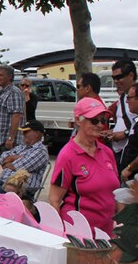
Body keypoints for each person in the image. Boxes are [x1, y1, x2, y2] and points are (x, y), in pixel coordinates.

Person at [49, 98, 119, 236]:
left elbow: (116, 194)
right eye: (94, 120)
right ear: (79, 120)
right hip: (79, 235)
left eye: (103, 120)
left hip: (107, 234)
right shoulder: (67, 155)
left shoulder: (107, 152)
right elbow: (54, 200)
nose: (100, 125)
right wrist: (58, 235)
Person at [0, 120, 49, 197]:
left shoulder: (41, 151)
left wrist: (10, 161)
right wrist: (14, 158)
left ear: (36, 134)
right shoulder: (22, 147)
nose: (23, 134)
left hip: (19, 190)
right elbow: (2, 158)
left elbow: (20, 166)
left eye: (26, 132)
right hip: (2, 184)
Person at [107, 60, 138, 163]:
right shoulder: (123, 97)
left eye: (119, 77)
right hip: (119, 152)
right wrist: (113, 132)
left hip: (133, 154)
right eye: (113, 78)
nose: (116, 81)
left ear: (131, 75)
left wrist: (125, 134)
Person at [0, 64, 23, 155]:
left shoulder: (14, 92)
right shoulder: (2, 92)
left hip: (7, 142)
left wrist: (10, 138)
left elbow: (16, 115)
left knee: (10, 167)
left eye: (1, 75)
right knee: (5, 167)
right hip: (0, 140)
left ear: (9, 77)